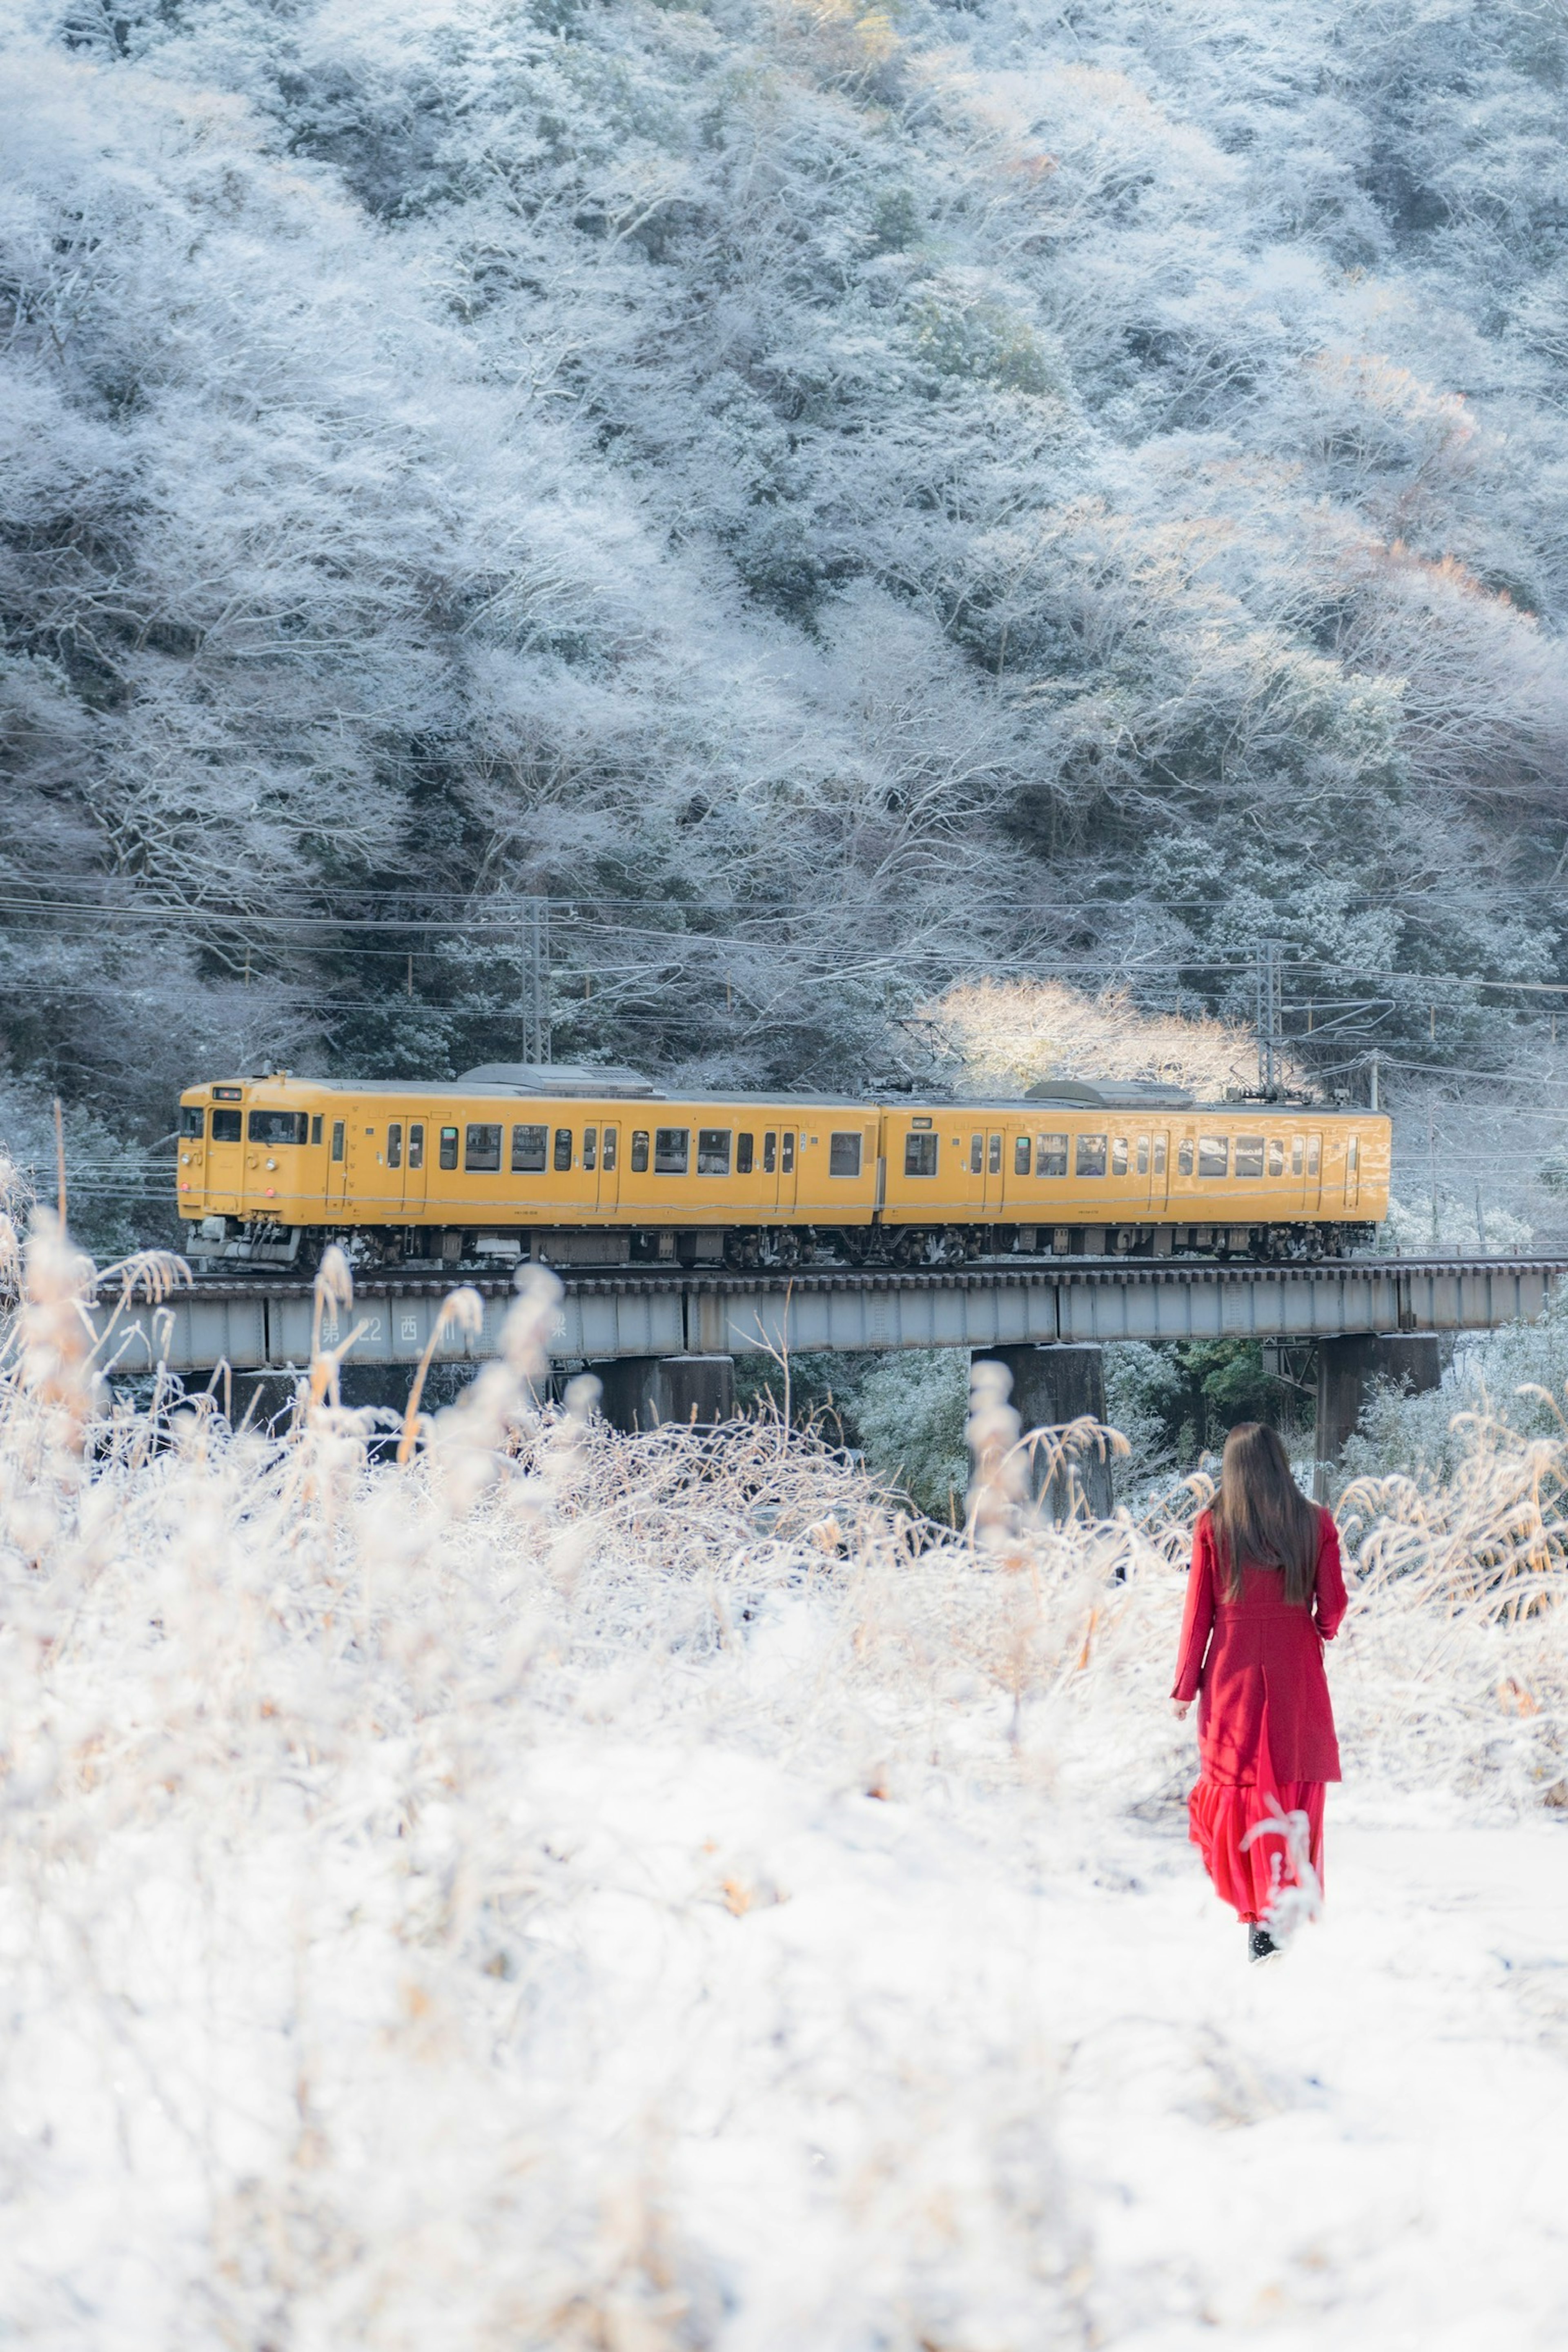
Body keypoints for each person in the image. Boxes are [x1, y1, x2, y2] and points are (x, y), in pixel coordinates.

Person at [1172, 1422, 1348, 1961]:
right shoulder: (1315, 1522)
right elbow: (1335, 1604)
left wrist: (1183, 1686)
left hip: (1232, 1678)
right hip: (1296, 1675)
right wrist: (1318, 1629)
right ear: (1281, 1462)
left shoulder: (1213, 1526)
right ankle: (1280, 1918)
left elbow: (1198, 1615)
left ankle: (1257, 1921)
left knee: (1239, 1791)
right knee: (1293, 1783)